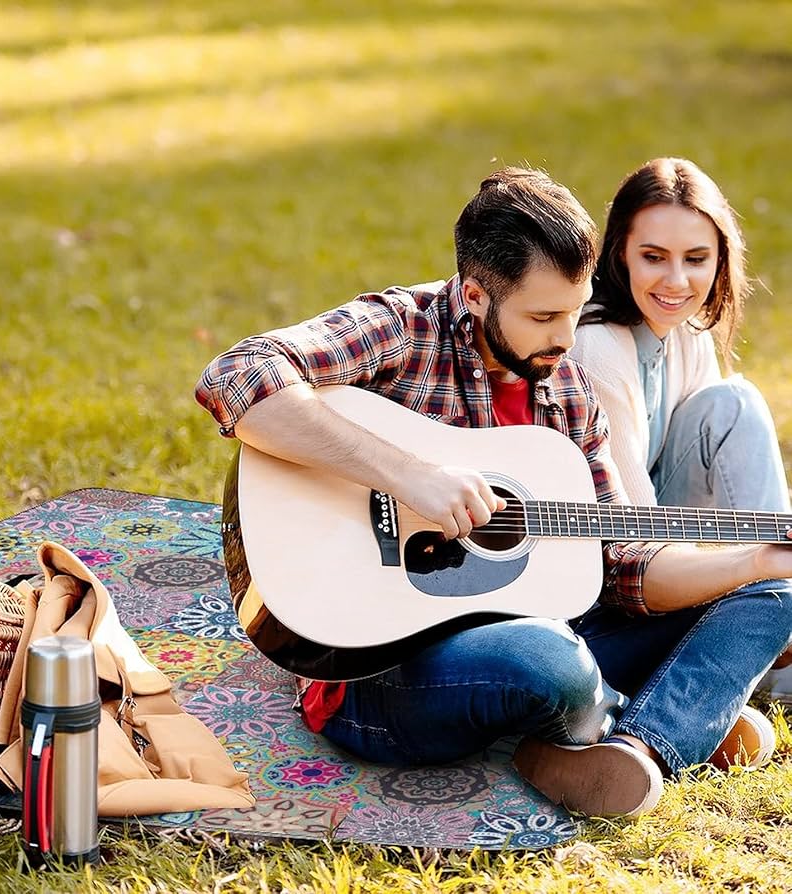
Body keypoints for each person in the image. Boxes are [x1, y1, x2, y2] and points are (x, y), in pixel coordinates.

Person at [195, 167, 792, 819]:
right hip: (379, 673)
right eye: (543, 317)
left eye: (574, 309)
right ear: (476, 295)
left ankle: (639, 749)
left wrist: (752, 562)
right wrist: (406, 474)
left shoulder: (566, 388)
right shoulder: (401, 327)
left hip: (548, 631)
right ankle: (662, 712)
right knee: (548, 662)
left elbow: (623, 562)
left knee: (774, 593)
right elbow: (238, 374)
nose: (566, 339)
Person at [570, 157, 792, 700]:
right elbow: (632, 536)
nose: (676, 281)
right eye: (654, 257)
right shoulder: (598, 345)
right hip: (607, 576)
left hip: (667, 547)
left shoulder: (686, 329)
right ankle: (777, 650)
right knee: (735, 403)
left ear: (720, 260)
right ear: (619, 250)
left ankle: (773, 626)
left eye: (696, 259)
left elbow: (721, 481)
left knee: (729, 403)